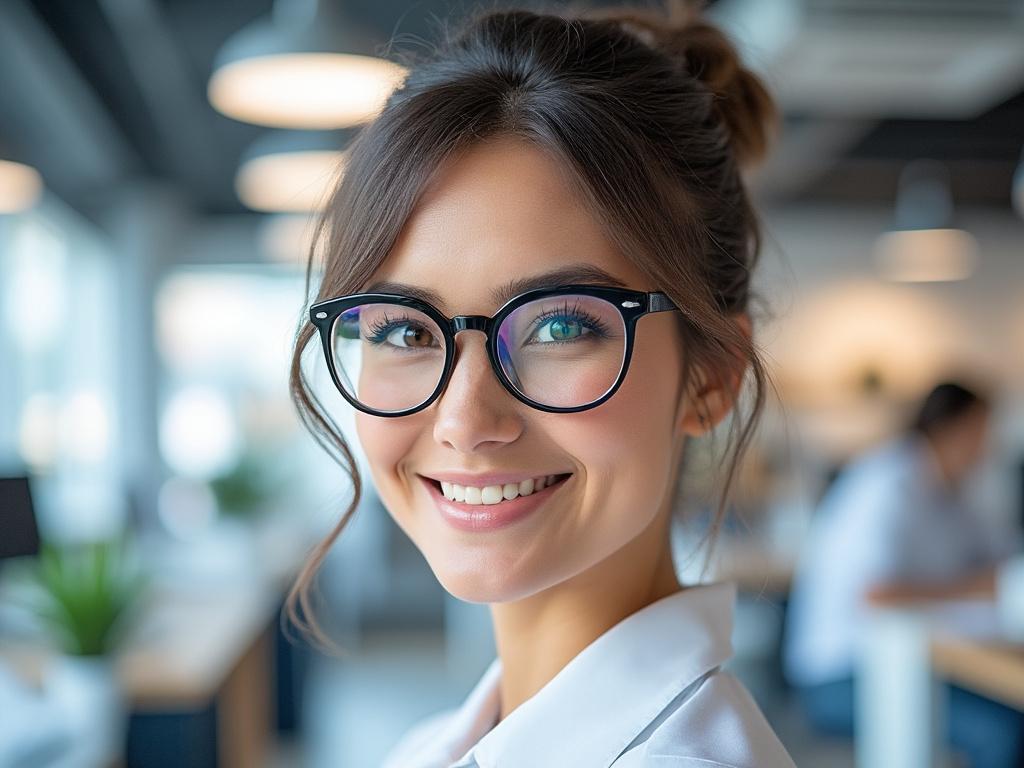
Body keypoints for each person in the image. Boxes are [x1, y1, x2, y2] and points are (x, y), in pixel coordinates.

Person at [286, 1, 796, 765]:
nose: (464, 418)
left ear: (711, 378)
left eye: (560, 326)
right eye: (404, 331)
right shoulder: (437, 747)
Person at [783, 381, 1024, 768]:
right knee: (1001, 729)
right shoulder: (889, 483)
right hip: (838, 673)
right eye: (982, 432)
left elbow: (995, 554)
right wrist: (976, 589)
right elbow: (877, 594)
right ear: (952, 429)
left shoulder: (949, 489)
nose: (987, 448)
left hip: (908, 657)